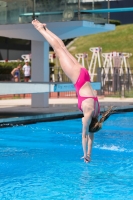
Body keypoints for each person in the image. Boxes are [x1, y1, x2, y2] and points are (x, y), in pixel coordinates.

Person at [32, 19, 113, 163]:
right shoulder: (88, 113)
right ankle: (39, 29)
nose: (83, 123)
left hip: (84, 74)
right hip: (78, 77)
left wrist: (90, 154)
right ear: (89, 123)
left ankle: (45, 28)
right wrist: (84, 154)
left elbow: (91, 137)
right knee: (58, 49)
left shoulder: (96, 112)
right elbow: (84, 136)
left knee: (62, 47)